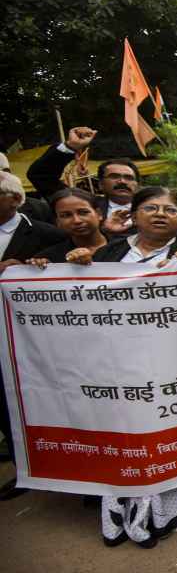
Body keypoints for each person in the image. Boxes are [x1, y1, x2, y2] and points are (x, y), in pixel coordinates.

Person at [62, 186, 177, 546]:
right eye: (151, 207)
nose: (161, 214)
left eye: (170, 209)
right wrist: (71, 268)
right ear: (134, 214)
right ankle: (126, 497)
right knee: (129, 427)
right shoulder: (107, 253)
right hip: (119, 364)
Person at [0, 171, 67, 501]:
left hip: (33, 338)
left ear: (14, 198)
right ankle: (25, 467)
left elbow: (63, 268)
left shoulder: (45, 235)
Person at [27, 127, 140, 228]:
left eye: (129, 177)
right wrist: (70, 146)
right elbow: (41, 176)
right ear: (100, 184)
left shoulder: (152, 207)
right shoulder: (81, 204)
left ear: (137, 184)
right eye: (114, 176)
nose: (122, 181)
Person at [25, 188, 108, 266]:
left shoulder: (120, 246)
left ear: (99, 214)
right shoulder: (47, 259)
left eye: (83, 212)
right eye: (66, 215)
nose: (77, 220)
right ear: (57, 222)